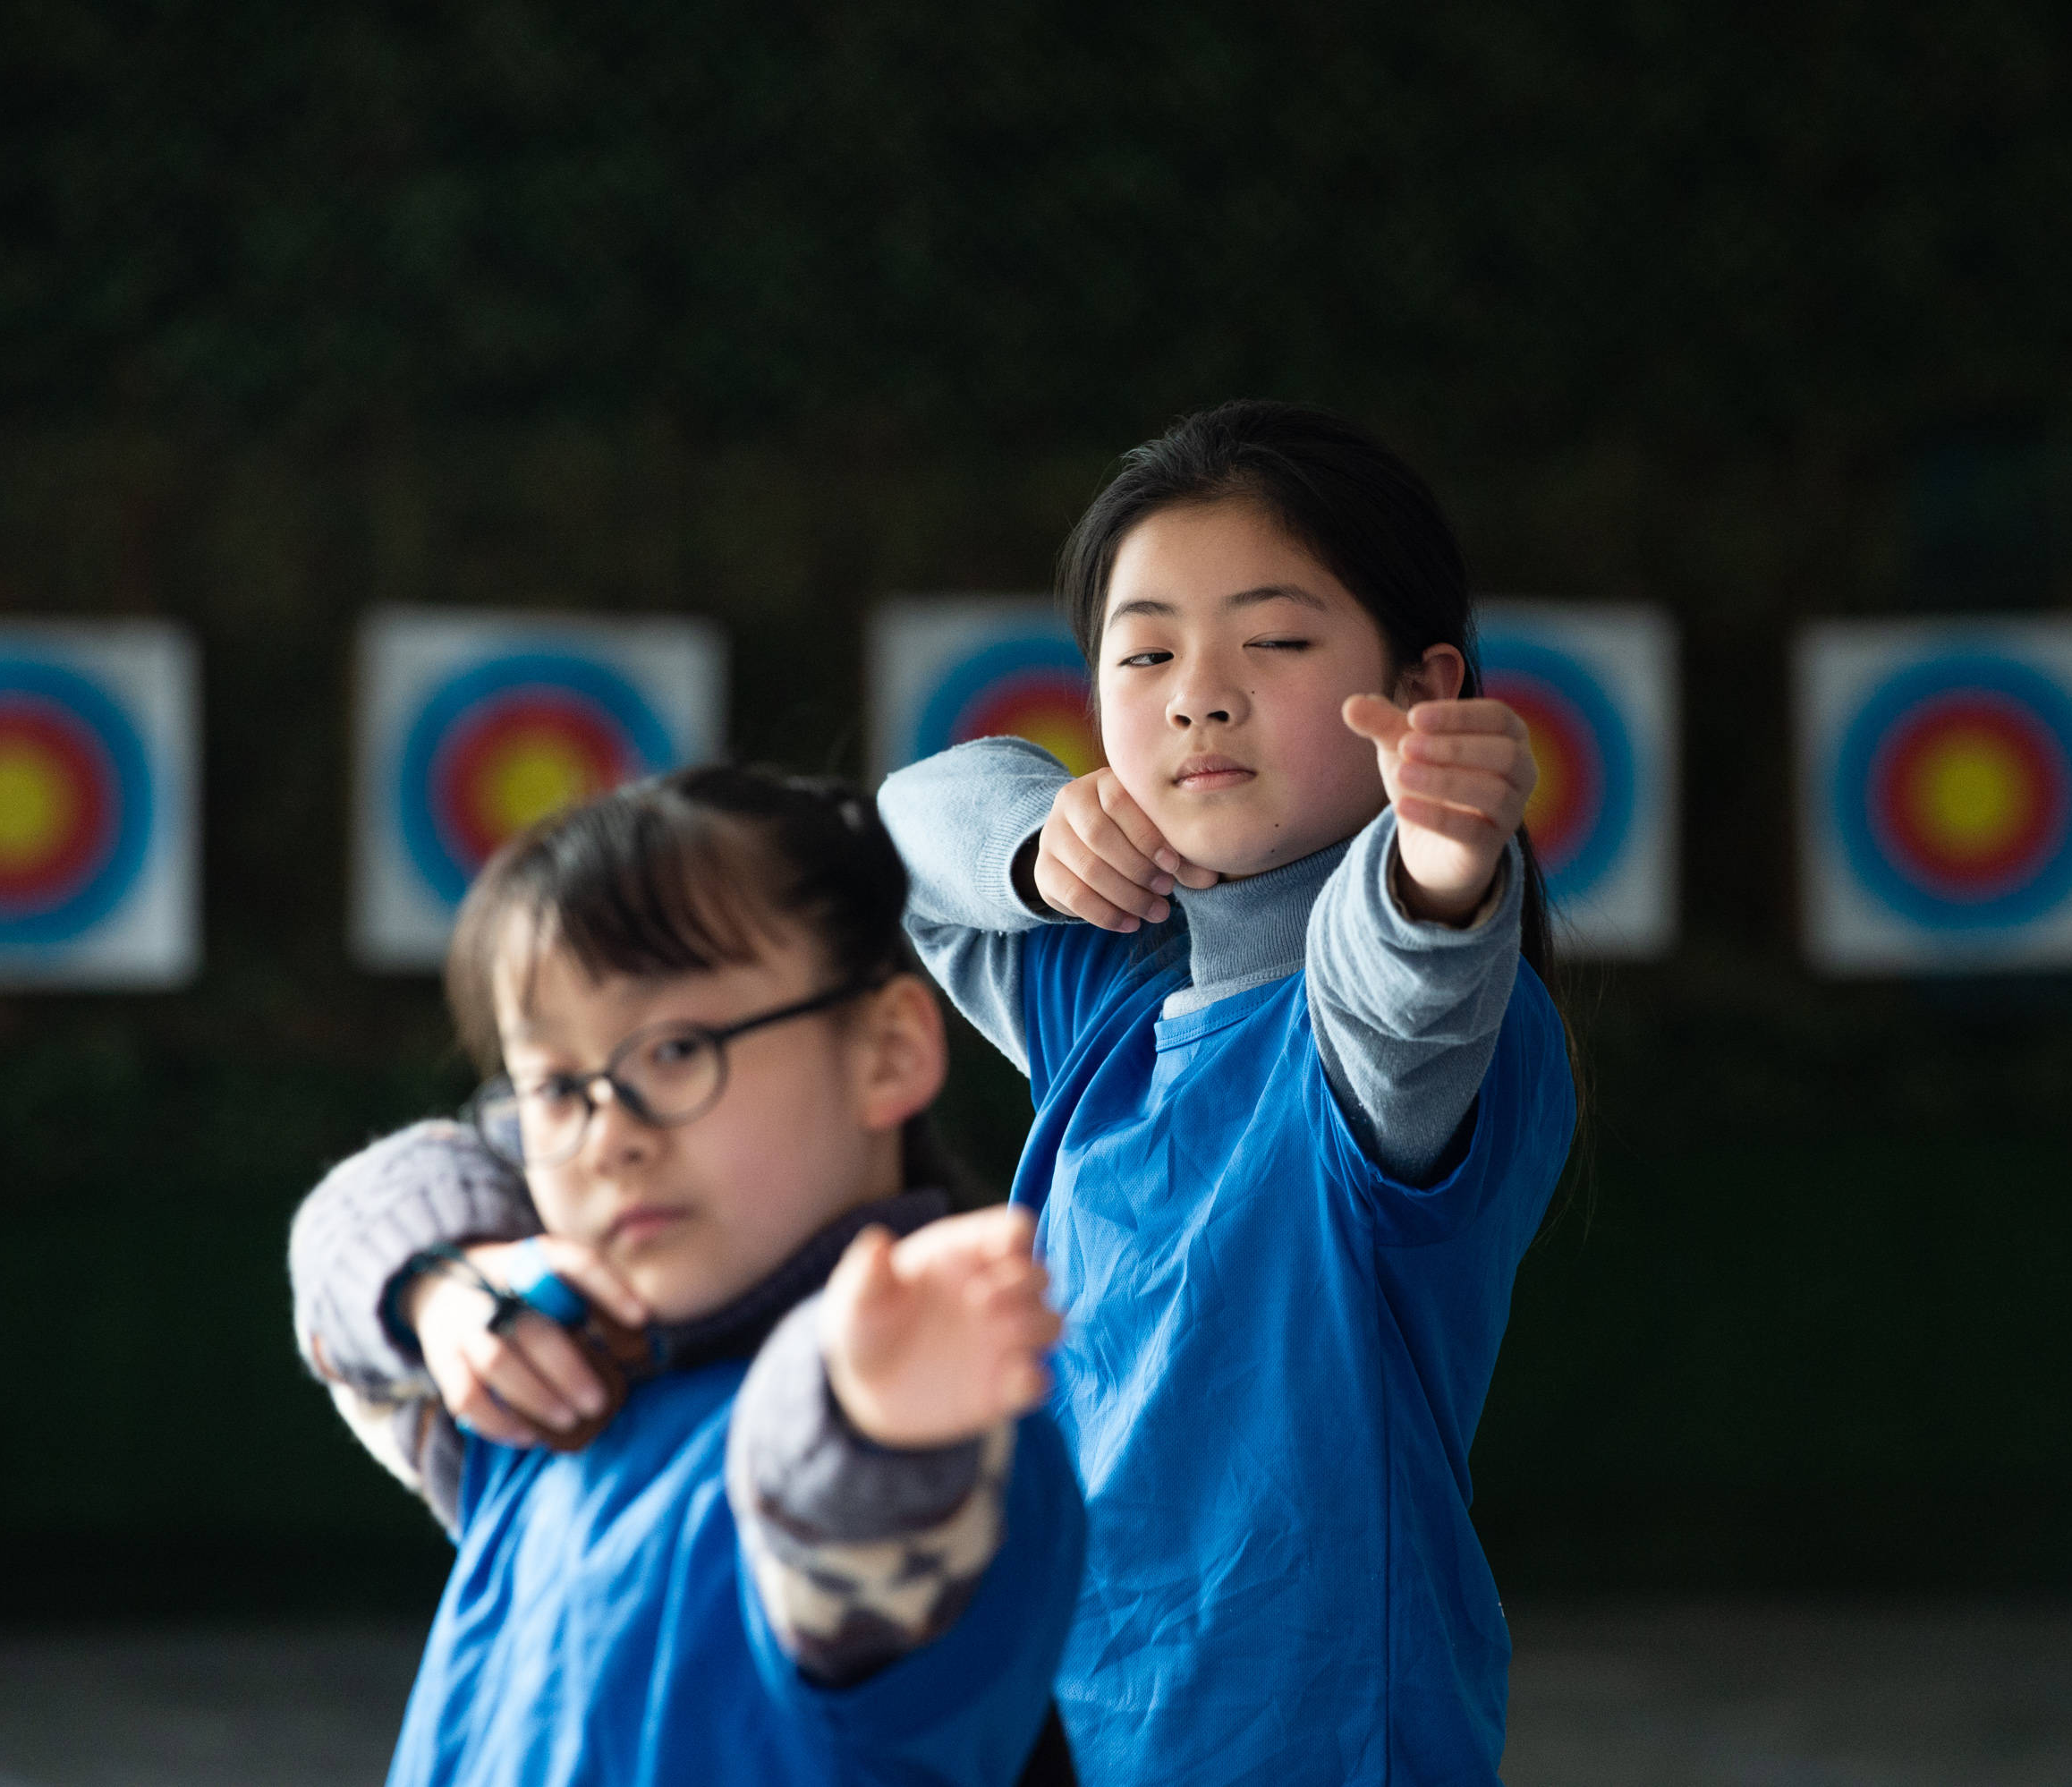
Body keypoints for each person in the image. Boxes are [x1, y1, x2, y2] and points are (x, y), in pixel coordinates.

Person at [875, 399, 1576, 1783]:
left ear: (1425, 687)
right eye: (1144, 651)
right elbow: (904, 828)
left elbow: (1406, 984)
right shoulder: (1107, 983)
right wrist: (1034, 845)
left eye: (1275, 641)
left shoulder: (1410, 1024)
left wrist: (1443, 861)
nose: (1199, 690)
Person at [287, 766, 1086, 1785]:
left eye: (674, 1049)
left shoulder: (938, 1425)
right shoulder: (550, 1380)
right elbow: (355, 1235)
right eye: (556, 1085)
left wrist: (859, 1400)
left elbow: (841, 1521)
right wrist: (443, 1283)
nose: (608, 1135)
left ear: (887, 1049)